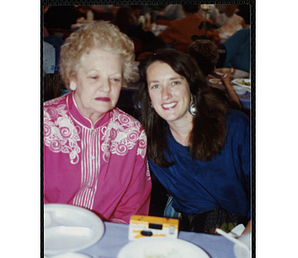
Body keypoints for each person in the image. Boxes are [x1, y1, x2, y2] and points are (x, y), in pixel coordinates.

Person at [44, 21, 152, 224]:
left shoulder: (132, 133)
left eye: (115, 79)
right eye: (94, 77)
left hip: (106, 240)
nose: (106, 88)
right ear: (72, 78)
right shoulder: (45, 124)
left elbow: (133, 209)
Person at [135, 49, 250, 234]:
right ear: (148, 96)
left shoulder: (234, 128)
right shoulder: (150, 139)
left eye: (175, 82)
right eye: (155, 86)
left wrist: (246, 241)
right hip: (191, 228)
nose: (165, 94)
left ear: (192, 87)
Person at [187, 39, 242, 110]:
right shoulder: (215, 96)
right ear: (213, 69)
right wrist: (228, 86)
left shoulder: (178, 85)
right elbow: (237, 110)